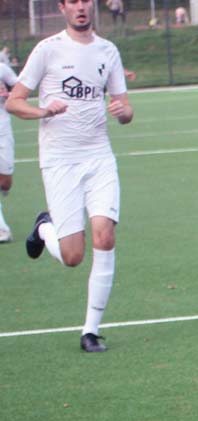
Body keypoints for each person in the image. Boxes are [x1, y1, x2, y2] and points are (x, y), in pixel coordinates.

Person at [6, 0, 133, 353]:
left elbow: (125, 109)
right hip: (60, 161)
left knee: (105, 236)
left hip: (99, 158)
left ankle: (91, 331)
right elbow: (14, 102)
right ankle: (44, 227)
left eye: (85, 0)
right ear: (62, 7)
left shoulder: (109, 50)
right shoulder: (47, 50)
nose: (81, 7)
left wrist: (124, 112)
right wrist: (44, 110)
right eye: (73, 1)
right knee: (72, 256)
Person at [0, 60, 19, 243]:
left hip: (2, 128)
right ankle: (1, 229)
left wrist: (8, 95)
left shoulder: (1, 68)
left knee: (5, 182)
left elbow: (19, 88)